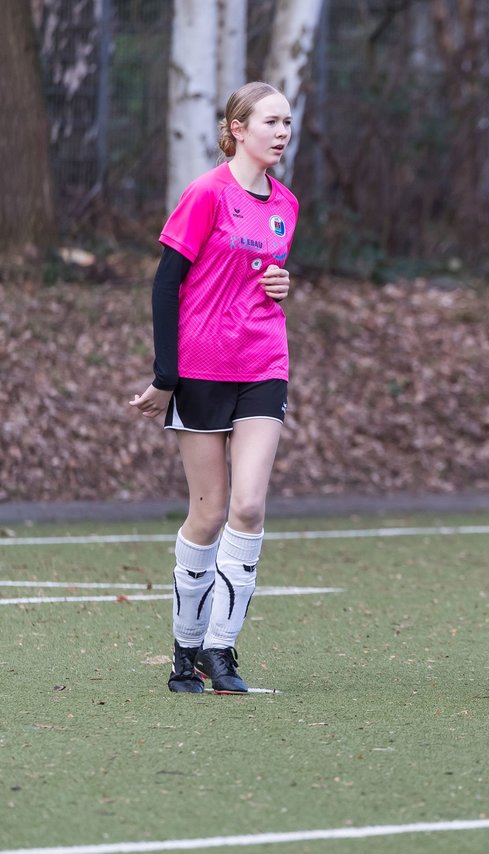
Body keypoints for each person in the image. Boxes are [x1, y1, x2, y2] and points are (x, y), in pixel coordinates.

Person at [130, 82, 299, 695]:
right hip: (201, 367)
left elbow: (262, 272)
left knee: (249, 506)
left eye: (287, 121)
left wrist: (281, 285)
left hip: (263, 361)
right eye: (271, 122)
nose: (282, 132)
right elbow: (165, 284)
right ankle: (185, 651)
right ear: (237, 128)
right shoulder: (206, 193)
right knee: (208, 511)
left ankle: (221, 652)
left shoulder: (287, 203)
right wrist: (164, 376)